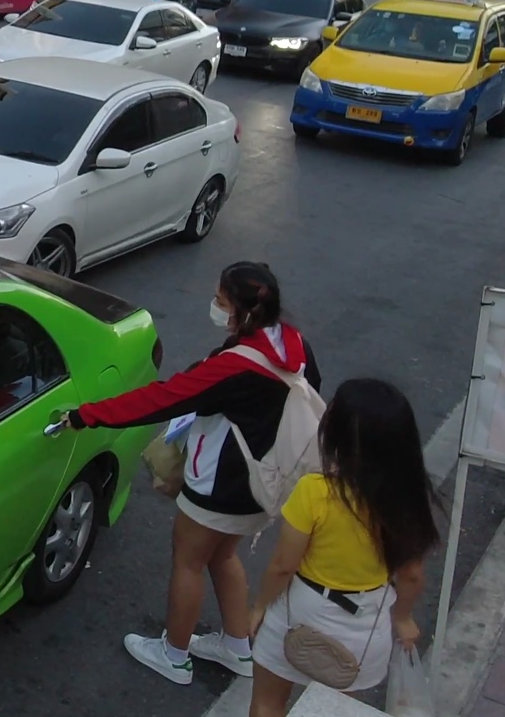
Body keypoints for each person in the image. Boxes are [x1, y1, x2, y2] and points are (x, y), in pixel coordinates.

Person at [63, 262, 321, 687]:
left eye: (221, 299)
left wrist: (86, 415)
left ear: (242, 309)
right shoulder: (293, 343)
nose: (216, 305)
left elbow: (163, 400)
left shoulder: (235, 366)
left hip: (220, 482)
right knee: (223, 556)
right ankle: (237, 647)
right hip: (264, 481)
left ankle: (174, 654)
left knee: (188, 561)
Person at [247, 380, 439, 717]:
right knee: (332, 713)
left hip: (303, 609)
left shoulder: (315, 491)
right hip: (364, 629)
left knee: (268, 703)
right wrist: (403, 618)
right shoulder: (406, 501)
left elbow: (282, 566)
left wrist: (260, 607)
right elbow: (411, 574)